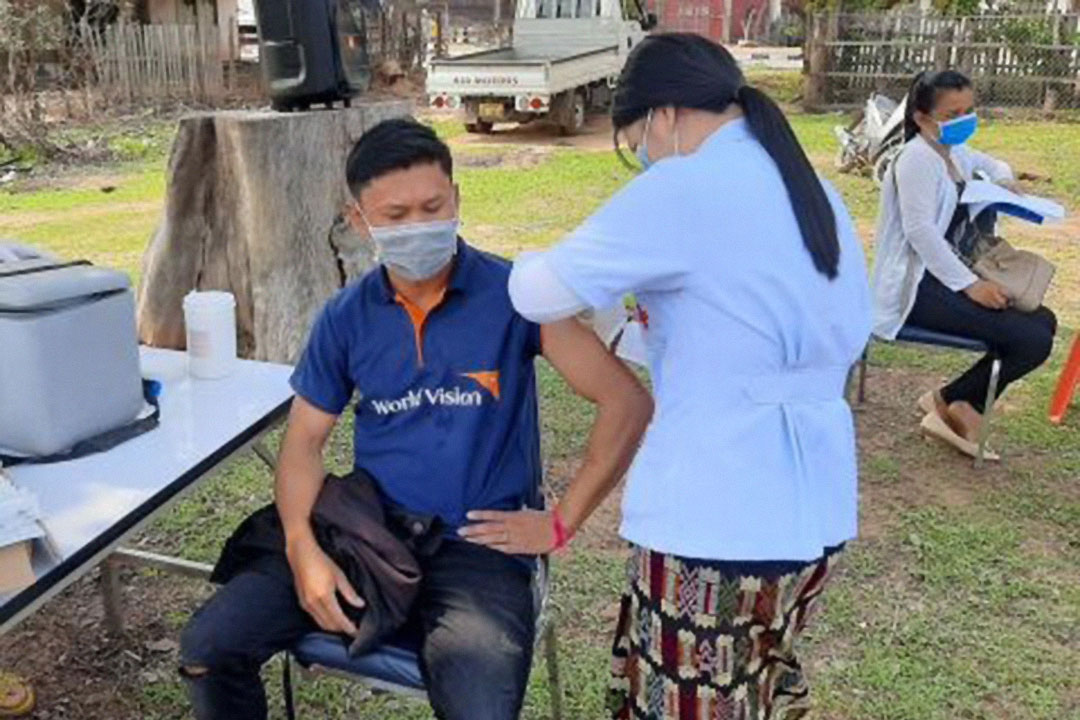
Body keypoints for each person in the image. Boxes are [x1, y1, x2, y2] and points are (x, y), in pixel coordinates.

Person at [178, 118, 654, 720]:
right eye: (395, 216)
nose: (418, 227)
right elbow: (303, 445)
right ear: (360, 220)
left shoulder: (515, 295)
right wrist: (302, 547)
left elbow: (625, 401)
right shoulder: (346, 317)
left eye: (433, 206)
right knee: (209, 648)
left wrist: (560, 522)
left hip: (479, 545)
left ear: (457, 198)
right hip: (370, 532)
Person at [508, 34, 871, 720]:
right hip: (814, 507)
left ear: (664, 113)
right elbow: (791, 333)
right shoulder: (809, 187)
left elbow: (538, 293)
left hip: (718, 520)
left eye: (635, 136)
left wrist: (531, 256)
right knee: (761, 687)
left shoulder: (684, 185)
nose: (641, 154)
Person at [871, 70, 1057, 458]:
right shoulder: (916, 159)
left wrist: (1003, 181)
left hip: (946, 280)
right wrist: (971, 286)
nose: (963, 121)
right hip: (917, 288)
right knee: (1032, 339)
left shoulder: (952, 154)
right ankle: (958, 405)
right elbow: (920, 232)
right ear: (922, 118)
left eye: (968, 111)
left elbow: (994, 163)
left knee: (1044, 321)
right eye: (952, 113)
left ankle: (955, 402)